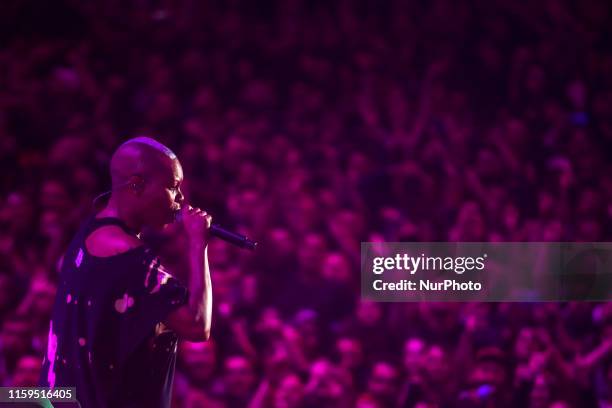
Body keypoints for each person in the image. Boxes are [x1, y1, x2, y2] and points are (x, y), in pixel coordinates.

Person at [38, 136, 213, 408]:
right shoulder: (130, 256)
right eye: (173, 187)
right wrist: (198, 244)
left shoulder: (88, 231)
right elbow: (197, 324)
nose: (181, 199)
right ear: (136, 185)